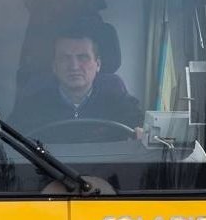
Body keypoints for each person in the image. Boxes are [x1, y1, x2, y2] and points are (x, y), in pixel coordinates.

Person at [9, 22, 143, 137]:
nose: (74, 66)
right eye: (65, 58)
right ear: (54, 66)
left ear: (98, 64)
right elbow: (9, 141)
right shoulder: (33, 104)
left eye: (83, 57)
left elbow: (143, 128)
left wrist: (141, 131)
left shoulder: (115, 95)